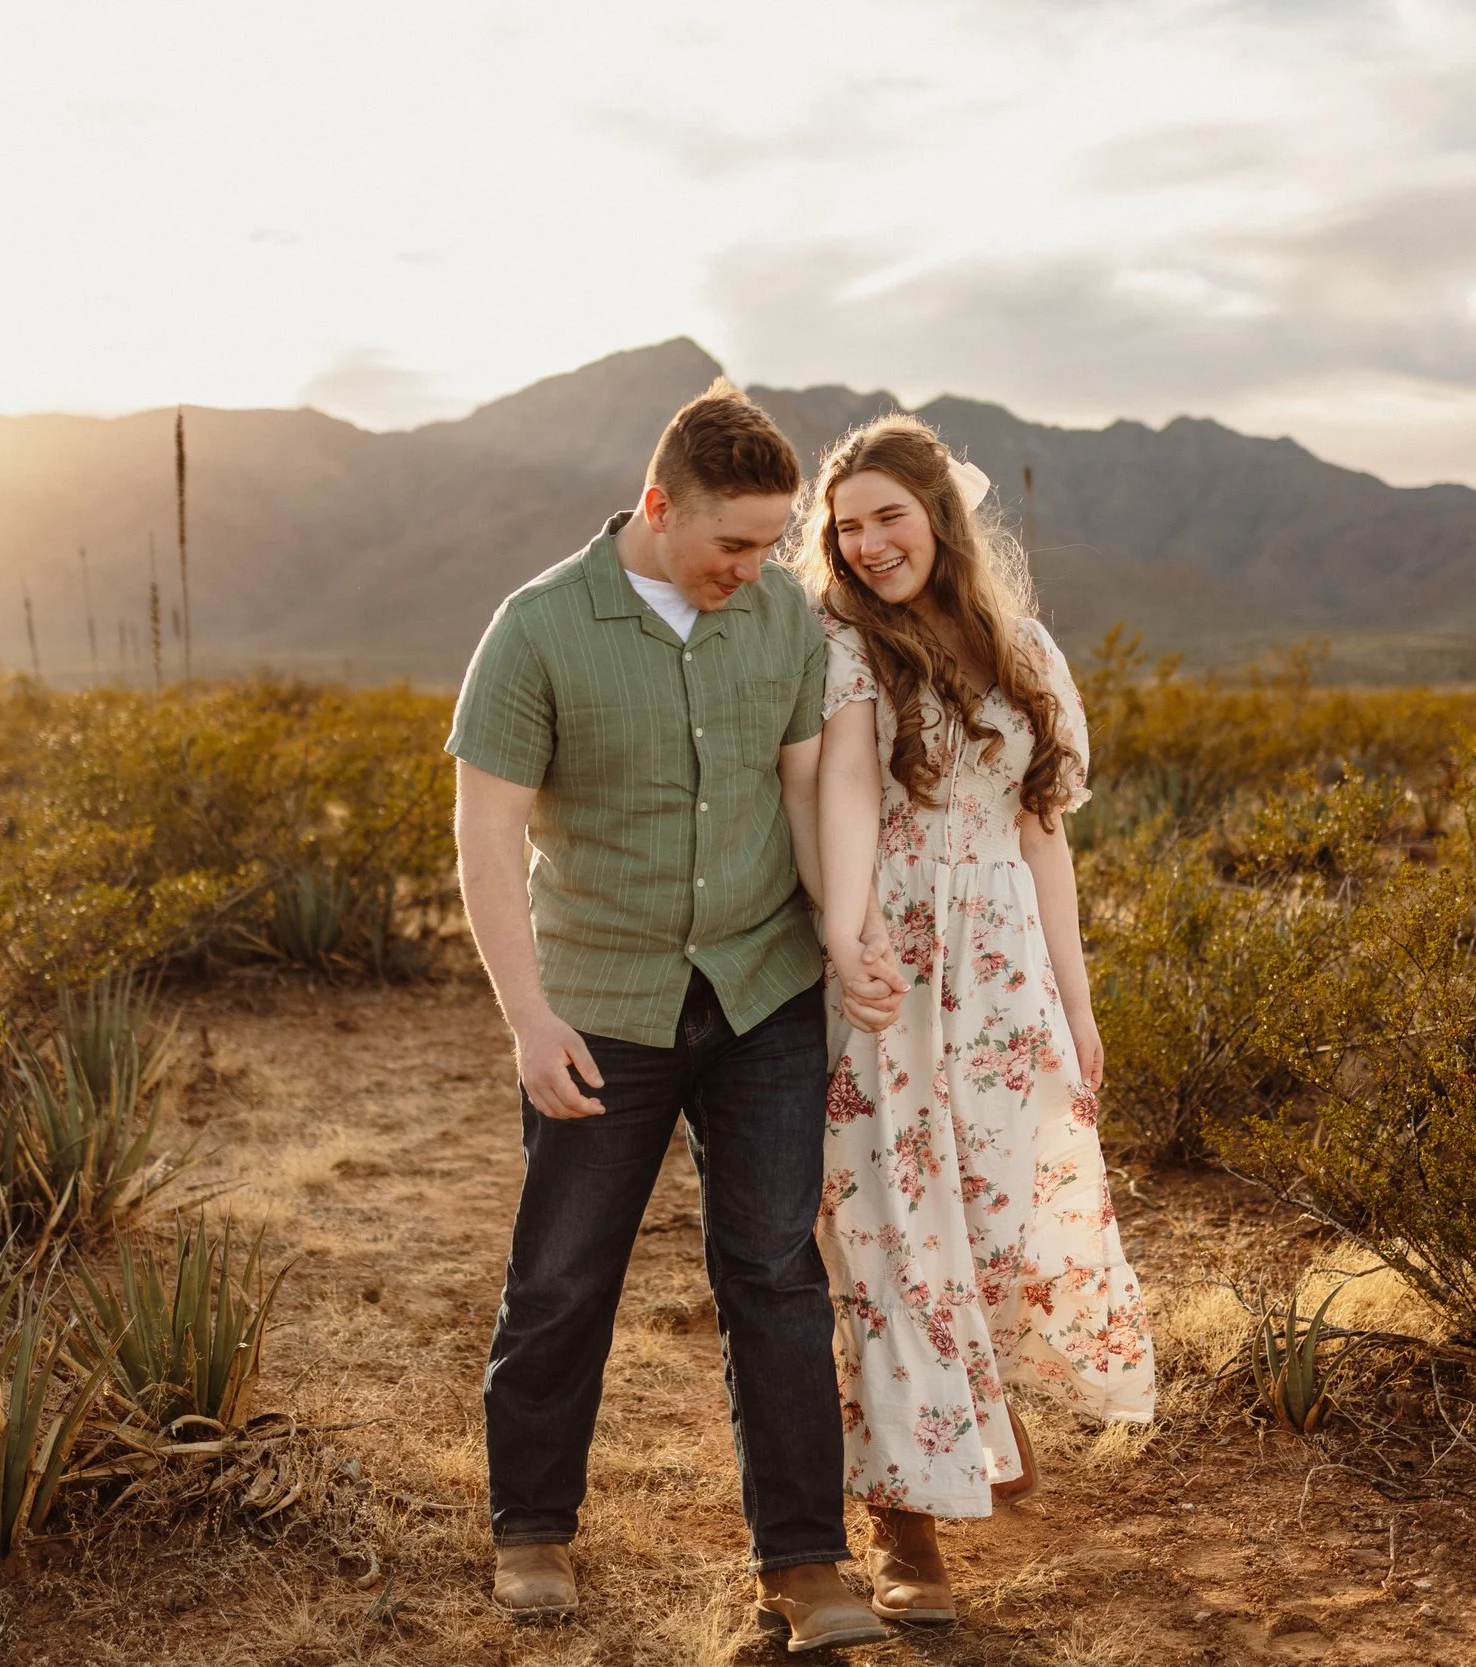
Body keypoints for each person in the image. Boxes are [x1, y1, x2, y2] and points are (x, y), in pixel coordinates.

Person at [447, 381, 905, 1652]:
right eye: (734, 544)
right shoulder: (537, 627)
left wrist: (839, 933)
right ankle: (531, 1524)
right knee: (563, 1273)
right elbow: (485, 836)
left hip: (762, 994)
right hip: (603, 1004)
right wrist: (527, 1017)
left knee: (771, 1271)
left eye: (771, 543)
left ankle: (805, 1561)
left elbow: (810, 788)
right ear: (658, 507)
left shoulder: (779, 624)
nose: (756, 568)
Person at [795, 412, 1156, 1625]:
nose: (865, 545)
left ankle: (971, 1423)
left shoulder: (1024, 647)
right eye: (844, 529)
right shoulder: (846, 646)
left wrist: (1076, 994)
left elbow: (1043, 830)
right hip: (893, 960)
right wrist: (850, 942)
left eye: (886, 516)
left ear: (939, 516)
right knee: (893, 1228)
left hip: (1001, 973)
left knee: (994, 1218)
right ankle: (904, 1524)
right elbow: (845, 790)